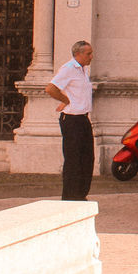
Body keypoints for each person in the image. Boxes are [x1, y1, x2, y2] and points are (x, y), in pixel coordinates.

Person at [45, 40, 94, 201]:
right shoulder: (68, 69)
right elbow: (51, 88)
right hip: (72, 120)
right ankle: (70, 196)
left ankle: (81, 194)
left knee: (87, 158)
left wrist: (68, 98)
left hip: (83, 118)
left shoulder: (83, 71)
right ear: (78, 54)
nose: (91, 57)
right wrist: (65, 101)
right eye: (88, 54)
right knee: (73, 159)